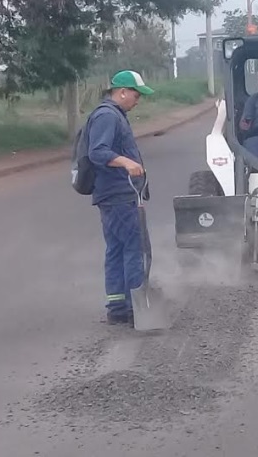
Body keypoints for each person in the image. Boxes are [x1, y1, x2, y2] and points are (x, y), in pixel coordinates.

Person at [86, 70, 155, 325]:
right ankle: (137, 307)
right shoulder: (107, 116)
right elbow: (98, 152)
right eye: (136, 95)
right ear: (122, 92)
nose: (138, 101)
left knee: (116, 249)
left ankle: (118, 307)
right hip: (117, 194)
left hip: (112, 194)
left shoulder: (114, 115)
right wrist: (127, 162)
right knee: (134, 249)